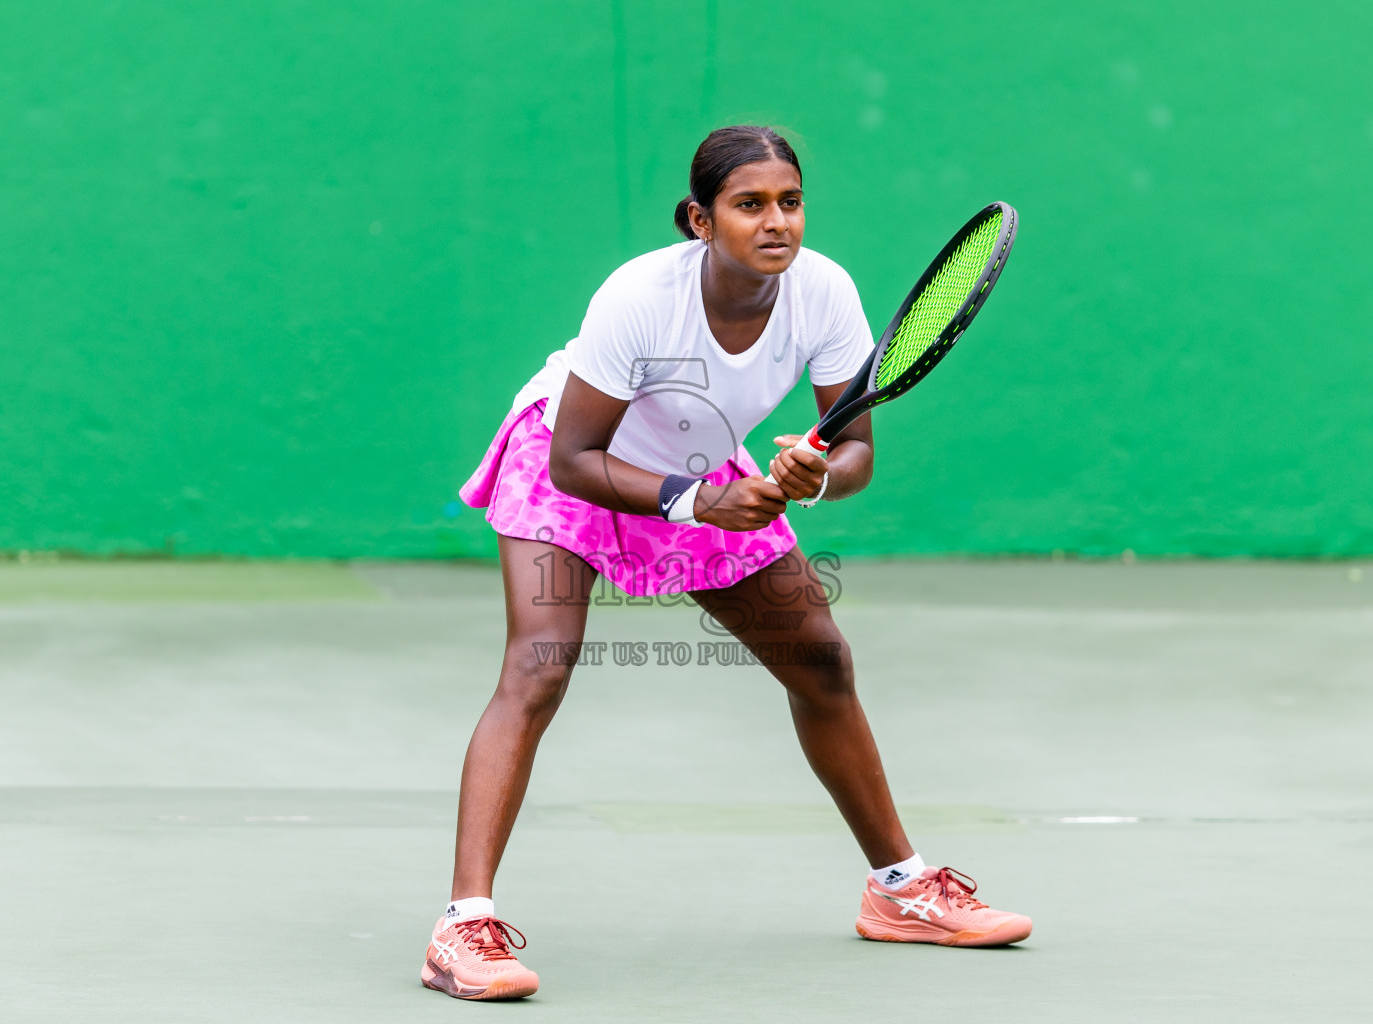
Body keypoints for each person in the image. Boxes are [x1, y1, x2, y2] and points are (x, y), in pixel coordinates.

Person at [421, 126, 1031, 1001]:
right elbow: (573, 459)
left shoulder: (822, 292)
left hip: (703, 460)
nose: (776, 222)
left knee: (821, 659)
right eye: (750, 205)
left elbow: (856, 450)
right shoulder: (639, 296)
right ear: (699, 221)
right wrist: (695, 500)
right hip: (576, 457)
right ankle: (461, 928)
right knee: (537, 668)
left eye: (790, 201)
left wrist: (814, 477)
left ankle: (899, 890)